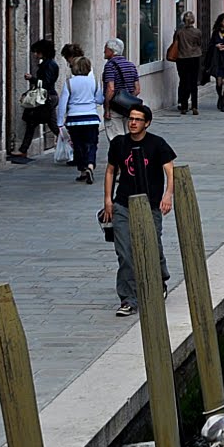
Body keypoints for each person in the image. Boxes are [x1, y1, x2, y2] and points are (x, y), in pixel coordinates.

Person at [101, 103, 174, 317]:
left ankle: (160, 278)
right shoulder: (118, 143)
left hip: (150, 204)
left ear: (147, 123)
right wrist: (108, 200)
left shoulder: (157, 144)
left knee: (152, 245)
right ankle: (128, 299)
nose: (133, 123)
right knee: (124, 252)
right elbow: (110, 171)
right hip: (123, 203)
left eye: (137, 119)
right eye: (131, 119)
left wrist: (168, 195)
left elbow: (170, 170)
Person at [11, 39, 61, 163]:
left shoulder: (48, 65)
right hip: (49, 98)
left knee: (34, 122)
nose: (35, 54)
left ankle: (23, 150)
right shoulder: (49, 63)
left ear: (42, 52)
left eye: (37, 52)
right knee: (45, 123)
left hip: (45, 98)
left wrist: (32, 78)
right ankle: (71, 143)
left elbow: (46, 83)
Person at [56, 56, 104, 183]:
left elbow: (63, 104)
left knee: (78, 145)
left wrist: (60, 122)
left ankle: (82, 169)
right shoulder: (94, 81)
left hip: (74, 119)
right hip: (91, 118)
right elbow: (100, 99)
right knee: (92, 144)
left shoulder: (69, 83)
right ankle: (90, 165)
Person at [101, 39, 140, 134]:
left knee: (116, 139)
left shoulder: (110, 66)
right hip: (129, 107)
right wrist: (128, 99)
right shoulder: (131, 65)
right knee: (129, 137)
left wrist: (107, 108)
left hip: (115, 106)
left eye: (106, 49)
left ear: (112, 51)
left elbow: (111, 88)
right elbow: (137, 89)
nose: (104, 51)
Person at [171, 12, 204, 115]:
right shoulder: (197, 32)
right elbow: (199, 43)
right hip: (194, 57)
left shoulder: (179, 32)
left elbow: (175, 43)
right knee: (193, 82)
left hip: (182, 58)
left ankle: (184, 105)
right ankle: (194, 105)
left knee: (183, 81)